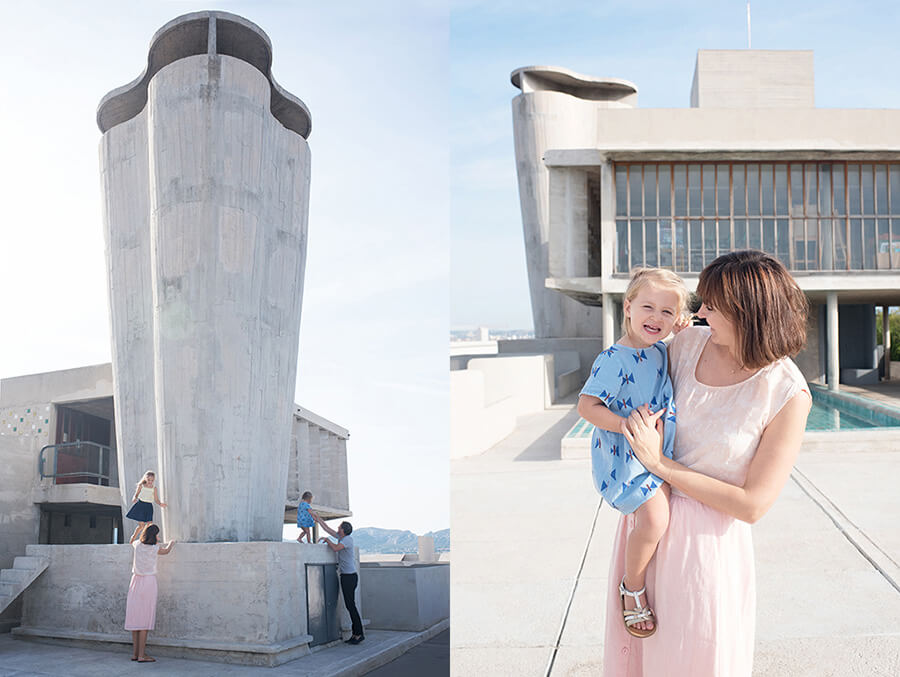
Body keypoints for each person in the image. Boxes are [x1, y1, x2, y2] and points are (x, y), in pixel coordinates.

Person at [604, 250, 811, 676]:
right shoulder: (686, 344)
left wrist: (658, 464)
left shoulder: (787, 392)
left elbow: (752, 505)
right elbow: (627, 366)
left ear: (746, 313)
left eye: (711, 306)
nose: (700, 313)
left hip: (707, 550)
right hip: (646, 527)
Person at [577, 267, 690, 637]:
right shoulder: (614, 359)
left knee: (670, 511)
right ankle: (633, 588)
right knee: (656, 519)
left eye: (667, 312)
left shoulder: (660, 349)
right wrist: (627, 427)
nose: (656, 318)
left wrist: (685, 327)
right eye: (647, 307)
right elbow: (587, 407)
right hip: (628, 456)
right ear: (628, 307)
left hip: (655, 450)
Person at [125, 523, 175, 663]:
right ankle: (142, 655)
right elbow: (166, 551)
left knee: (135, 620)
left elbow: (131, 541)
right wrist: (171, 543)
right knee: (145, 621)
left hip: (135, 582)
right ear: (154, 536)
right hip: (148, 582)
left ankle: (135, 654)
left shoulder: (138, 545)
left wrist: (137, 530)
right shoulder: (154, 548)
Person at [314, 516, 364, 644]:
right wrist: (316, 517)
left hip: (349, 577)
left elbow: (336, 548)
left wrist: (327, 540)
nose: (337, 529)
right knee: (349, 605)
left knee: (350, 606)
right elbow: (327, 528)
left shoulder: (347, 540)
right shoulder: (342, 537)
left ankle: (358, 634)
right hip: (346, 576)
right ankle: (355, 634)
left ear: (343, 530)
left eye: (339, 527)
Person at [125, 471, 167, 540]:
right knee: (141, 526)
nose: (150, 481)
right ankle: (133, 537)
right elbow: (136, 495)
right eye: (149, 480)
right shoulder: (141, 486)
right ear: (145, 478)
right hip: (140, 505)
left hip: (149, 506)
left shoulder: (154, 488)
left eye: (152, 480)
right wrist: (134, 498)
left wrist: (160, 504)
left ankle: (144, 538)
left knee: (149, 524)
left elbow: (156, 499)